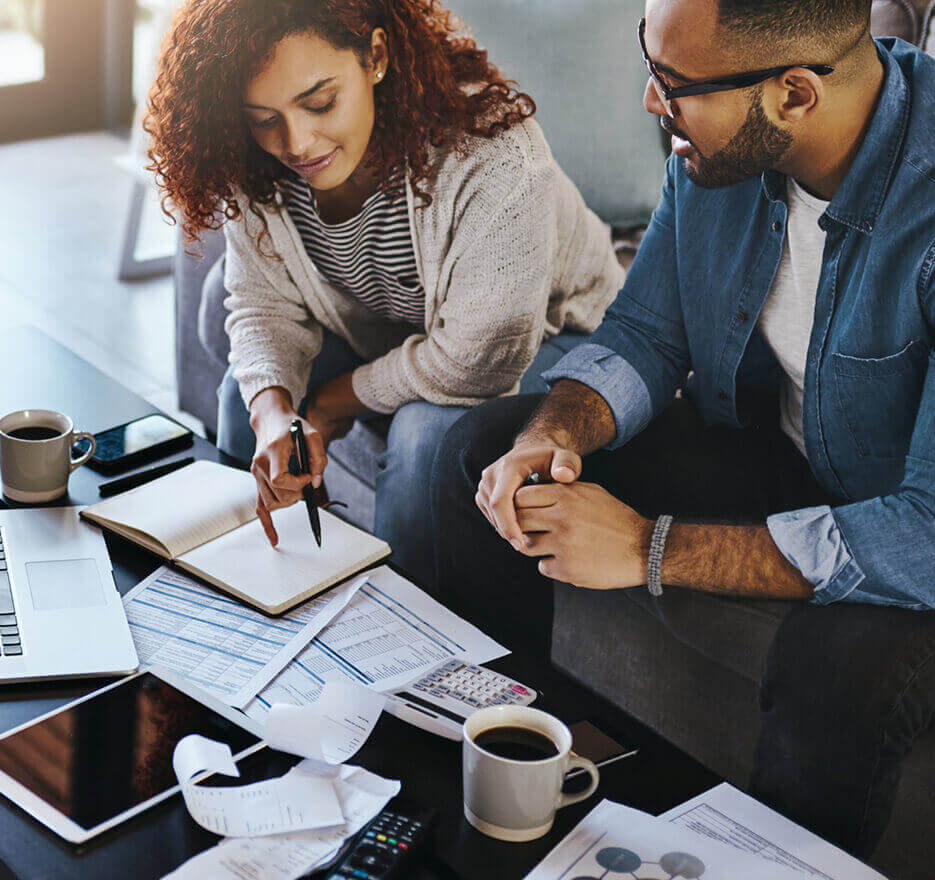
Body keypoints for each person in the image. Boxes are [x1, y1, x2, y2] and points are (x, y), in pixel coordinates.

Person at [431, 0, 935, 858]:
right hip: (789, 453)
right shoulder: (721, 146)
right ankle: (511, 796)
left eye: (674, 86)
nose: (650, 102)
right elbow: (648, 332)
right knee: (485, 456)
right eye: (650, 64)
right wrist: (555, 433)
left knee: (835, 671)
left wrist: (649, 546)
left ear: (794, 93)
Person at [142, 0, 624, 585]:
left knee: (427, 440)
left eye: (319, 101)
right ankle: (253, 600)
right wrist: (275, 414)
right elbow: (261, 304)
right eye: (263, 117)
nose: (297, 142)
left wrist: (327, 405)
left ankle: (407, 648)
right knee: (244, 405)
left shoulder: (492, 151)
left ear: (375, 56)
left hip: (555, 333)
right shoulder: (258, 162)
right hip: (399, 327)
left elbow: (474, 363)